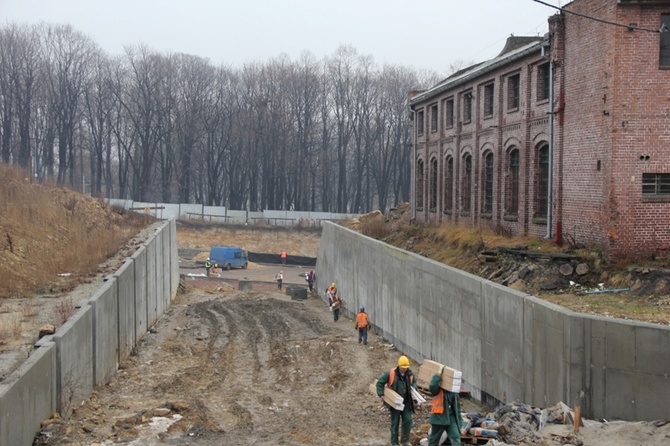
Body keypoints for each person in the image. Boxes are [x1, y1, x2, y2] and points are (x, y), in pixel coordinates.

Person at [376, 356, 417, 446]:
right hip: (395, 403)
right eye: (402, 368)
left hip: (406, 402)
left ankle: (405, 440)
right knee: (395, 423)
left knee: (408, 420)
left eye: (406, 368)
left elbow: (414, 382)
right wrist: (381, 394)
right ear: (399, 366)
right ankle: (394, 442)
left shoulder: (410, 374)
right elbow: (380, 383)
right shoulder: (391, 373)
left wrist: (414, 388)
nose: (404, 370)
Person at [428, 365, 463, 446]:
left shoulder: (454, 392)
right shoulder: (439, 389)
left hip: (450, 419)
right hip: (439, 418)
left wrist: (460, 423)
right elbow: (432, 387)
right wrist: (438, 375)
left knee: (456, 437)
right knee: (433, 441)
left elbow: (457, 409)